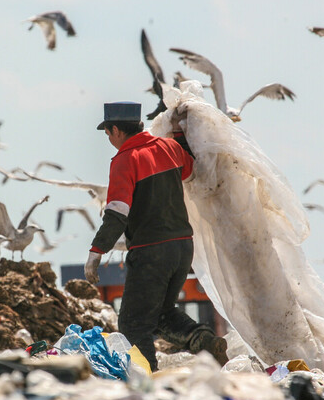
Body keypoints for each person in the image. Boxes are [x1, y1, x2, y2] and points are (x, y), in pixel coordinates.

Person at [84, 101, 228, 371]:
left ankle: (146, 378)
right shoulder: (169, 148)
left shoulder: (125, 161)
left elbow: (117, 213)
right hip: (183, 247)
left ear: (116, 130)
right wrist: (179, 134)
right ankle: (204, 340)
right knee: (162, 313)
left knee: (133, 323)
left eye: (107, 133)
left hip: (152, 252)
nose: (108, 139)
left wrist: (96, 252)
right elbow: (189, 169)